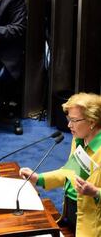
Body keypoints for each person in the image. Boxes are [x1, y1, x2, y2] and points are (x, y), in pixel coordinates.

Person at [20, 92, 101, 236]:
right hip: (69, 216)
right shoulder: (79, 140)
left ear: (92, 121)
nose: (69, 125)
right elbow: (70, 172)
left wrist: (95, 192)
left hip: (92, 227)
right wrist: (38, 178)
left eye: (74, 120)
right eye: (68, 119)